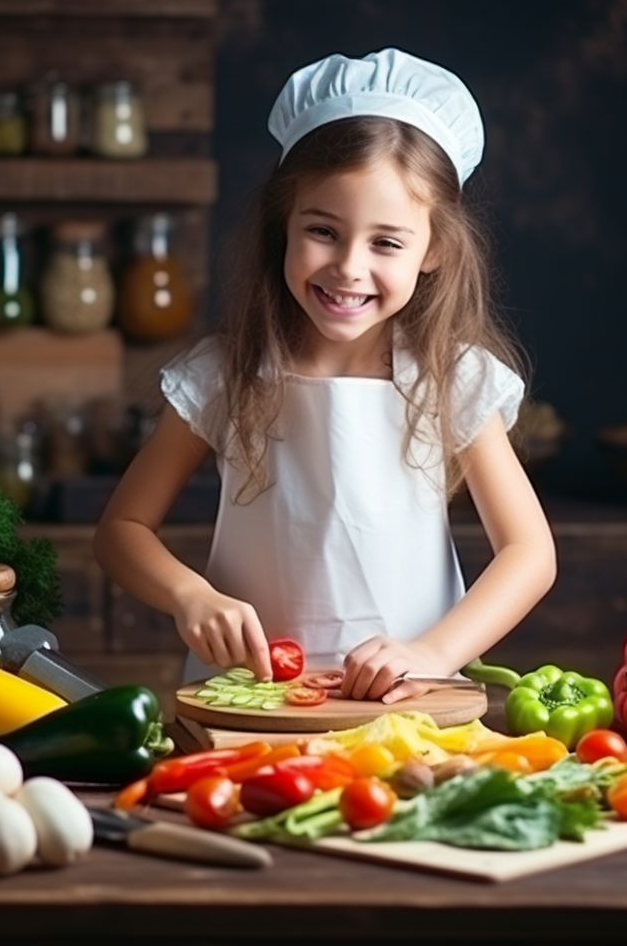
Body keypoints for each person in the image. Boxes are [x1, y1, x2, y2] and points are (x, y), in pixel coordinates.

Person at [93, 47, 556, 704]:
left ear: (436, 252)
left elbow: (529, 554)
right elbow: (121, 532)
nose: (348, 267)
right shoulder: (225, 374)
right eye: (323, 231)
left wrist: (432, 653)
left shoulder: (452, 378)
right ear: (284, 224)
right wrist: (190, 595)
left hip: (411, 703)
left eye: (386, 242)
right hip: (253, 705)